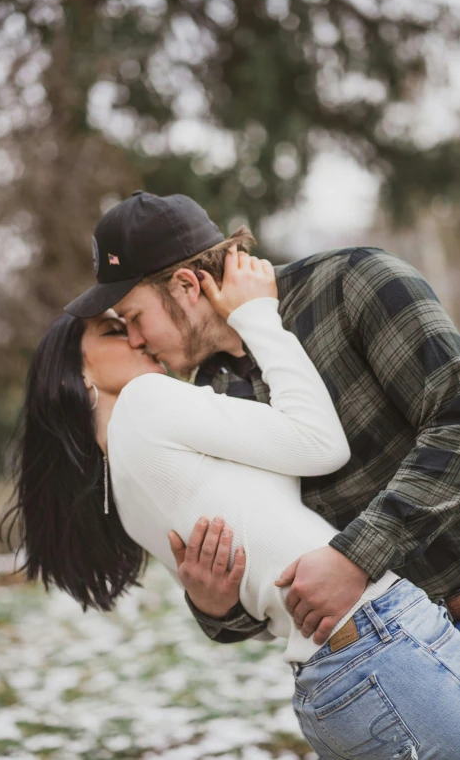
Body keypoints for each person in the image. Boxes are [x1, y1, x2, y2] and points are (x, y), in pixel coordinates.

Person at [6, 247, 460, 758]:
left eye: (132, 320)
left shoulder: (123, 490)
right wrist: (259, 317)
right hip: (376, 638)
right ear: (77, 375)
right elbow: (320, 446)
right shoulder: (148, 401)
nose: (136, 339)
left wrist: (212, 606)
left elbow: (257, 575)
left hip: (328, 678)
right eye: (117, 329)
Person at [64, 190, 460, 650]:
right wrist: (215, 605)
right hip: (398, 657)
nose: (134, 339)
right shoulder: (209, 393)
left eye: (134, 317)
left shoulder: (352, 284)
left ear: (187, 286)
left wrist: (357, 557)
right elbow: (271, 593)